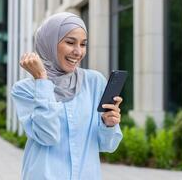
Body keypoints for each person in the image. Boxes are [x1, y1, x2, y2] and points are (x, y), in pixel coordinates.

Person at [11, 12, 123, 180]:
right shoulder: (24, 89)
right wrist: (42, 80)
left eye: (83, 44)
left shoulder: (94, 82)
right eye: (70, 42)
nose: (78, 52)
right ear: (49, 43)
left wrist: (109, 124)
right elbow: (47, 136)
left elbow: (108, 146)